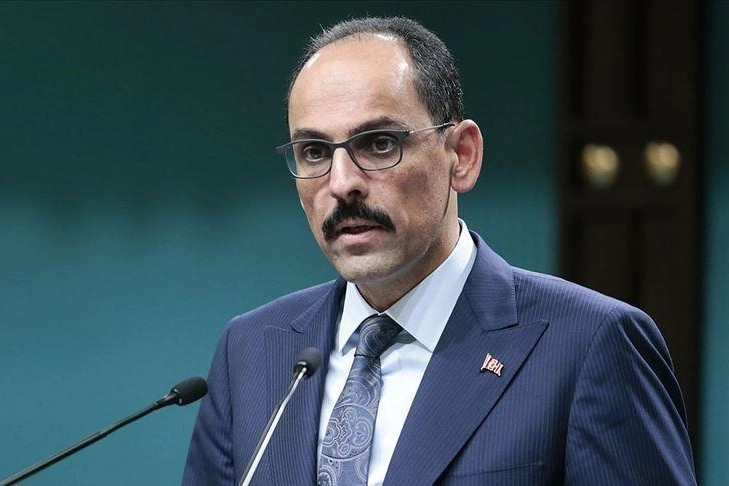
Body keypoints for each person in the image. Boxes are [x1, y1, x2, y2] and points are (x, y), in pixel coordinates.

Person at [183, 16, 696, 485]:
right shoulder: (252, 351)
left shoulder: (588, 345)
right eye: (314, 152)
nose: (341, 184)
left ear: (461, 156)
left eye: (379, 144)